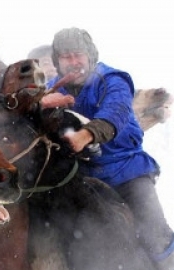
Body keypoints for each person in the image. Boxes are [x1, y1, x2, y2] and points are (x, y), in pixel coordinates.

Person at [44, 27, 174, 269]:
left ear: (90, 56)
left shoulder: (113, 79)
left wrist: (87, 134)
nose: (74, 63)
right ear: (57, 61)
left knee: (155, 232)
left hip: (126, 170)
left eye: (78, 55)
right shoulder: (51, 89)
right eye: (66, 57)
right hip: (79, 176)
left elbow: (116, 112)